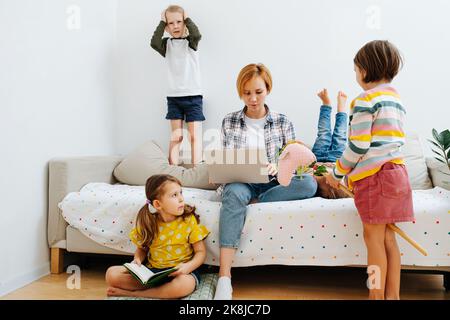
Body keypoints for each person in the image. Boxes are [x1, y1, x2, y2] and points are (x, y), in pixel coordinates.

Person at [213, 63, 318, 300]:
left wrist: (279, 166)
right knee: (234, 193)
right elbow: (225, 161)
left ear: (268, 89)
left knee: (309, 184)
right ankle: (224, 277)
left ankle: (259, 200)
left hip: (273, 181)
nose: (252, 98)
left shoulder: (282, 122)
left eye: (258, 92)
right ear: (240, 92)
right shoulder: (229, 121)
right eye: (247, 93)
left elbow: (295, 162)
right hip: (242, 181)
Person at [325, 40, 414, 299]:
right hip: (398, 174)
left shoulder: (365, 99)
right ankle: (393, 296)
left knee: (372, 239)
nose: (356, 77)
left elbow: (358, 144)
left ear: (365, 69)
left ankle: (376, 296)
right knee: (388, 239)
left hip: (376, 179)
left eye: (355, 70)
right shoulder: (395, 98)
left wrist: (337, 173)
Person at [105, 174, 210, 298]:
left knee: (184, 284)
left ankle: (136, 294)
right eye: (174, 195)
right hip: (154, 273)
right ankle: (159, 289)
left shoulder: (188, 221)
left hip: (181, 272)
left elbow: (201, 252)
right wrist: (137, 259)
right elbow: (142, 248)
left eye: (181, 193)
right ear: (158, 204)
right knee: (111, 274)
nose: (181, 199)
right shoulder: (150, 222)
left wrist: (188, 267)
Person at [151, 5, 204, 166]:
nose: (175, 26)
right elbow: (154, 42)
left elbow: (196, 34)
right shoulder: (166, 44)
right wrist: (161, 22)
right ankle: (172, 170)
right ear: (166, 26)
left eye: (179, 22)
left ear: (184, 23)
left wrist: (187, 19)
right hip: (174, 98)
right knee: (176, 136)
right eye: (171, 23)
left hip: (193, 96)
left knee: (194, 136)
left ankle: (197, 169)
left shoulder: (191, 42)